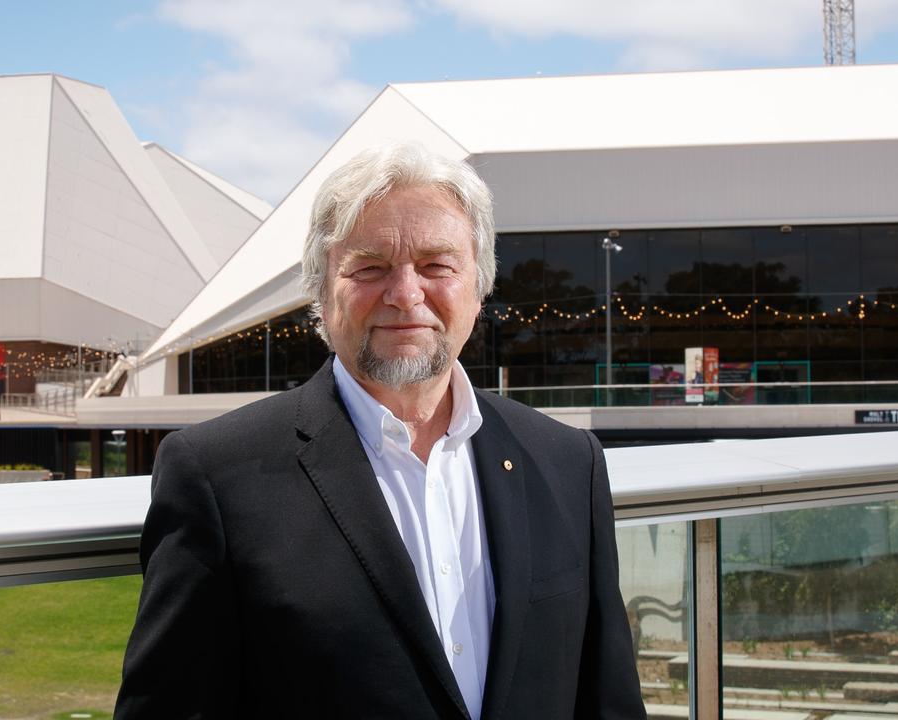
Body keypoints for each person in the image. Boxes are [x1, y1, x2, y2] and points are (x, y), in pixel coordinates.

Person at [115, 144, 645, 720]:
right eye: (370, 267)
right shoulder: (217, 475)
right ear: (321, 291)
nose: (406, 294)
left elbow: (608, 699)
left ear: (478, 286)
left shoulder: (569, 463)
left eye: (437, 265)